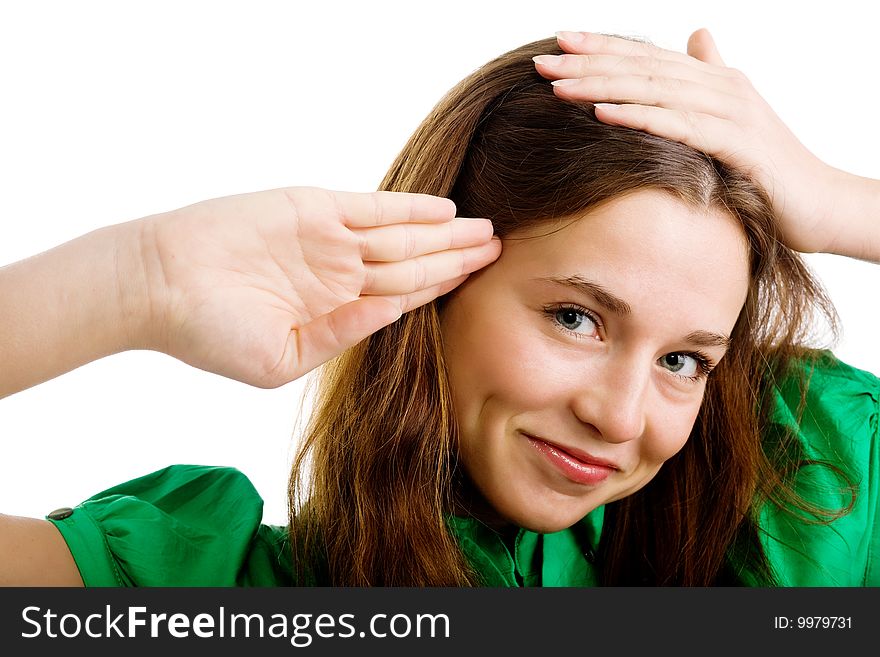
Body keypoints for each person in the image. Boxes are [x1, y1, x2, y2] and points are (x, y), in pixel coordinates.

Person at [0, 29, 877, 587]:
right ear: (436, 284)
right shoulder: (217, 588)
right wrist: (135, 281)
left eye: (683, 360)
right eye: (576, 317)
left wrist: (840, 203)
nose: (617, 415)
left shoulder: (802, 501)